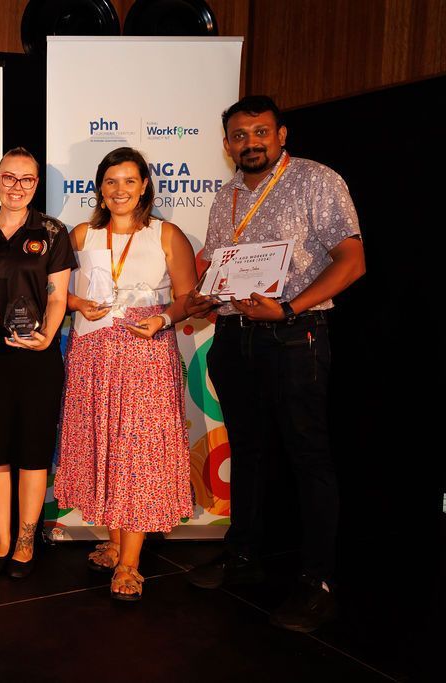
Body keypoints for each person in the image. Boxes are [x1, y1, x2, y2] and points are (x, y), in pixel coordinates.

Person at [185, 96, 365, 633]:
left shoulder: (316, 180)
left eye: (260, 132)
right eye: (239, 136)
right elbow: (220, 266)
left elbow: (353, 261)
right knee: (250, 451)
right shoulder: (226, 198)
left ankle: (319, 581)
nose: (250, 143)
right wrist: (206, 288)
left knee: (308, 456)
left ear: (281, 135)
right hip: (236, 338)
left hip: (295, 336)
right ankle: (244, 554)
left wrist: (288, 307)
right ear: (227, 145)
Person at [54, 147, 197, 602]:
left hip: (143, 354)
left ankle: (130, 565)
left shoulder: (166, 234)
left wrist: (163, 319)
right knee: (105, 446)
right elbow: (53, 288)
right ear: (99, 188)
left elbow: (188, 297)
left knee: (136, 453)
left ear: (144, 187)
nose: (120, 190)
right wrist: (76, 303)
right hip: (92, 355)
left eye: (129, 181)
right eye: (111, 182)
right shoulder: (81, 235)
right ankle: (115, 541)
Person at [0, 148, 75, 578]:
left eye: (26, 180)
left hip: (37, 359)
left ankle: (27, 541)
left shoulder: (52, 231)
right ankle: (2, 539)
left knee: (32, 451)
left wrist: (47, 335)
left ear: (36, 185)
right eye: (9, 178)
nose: (17, 187)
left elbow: (57, 294)